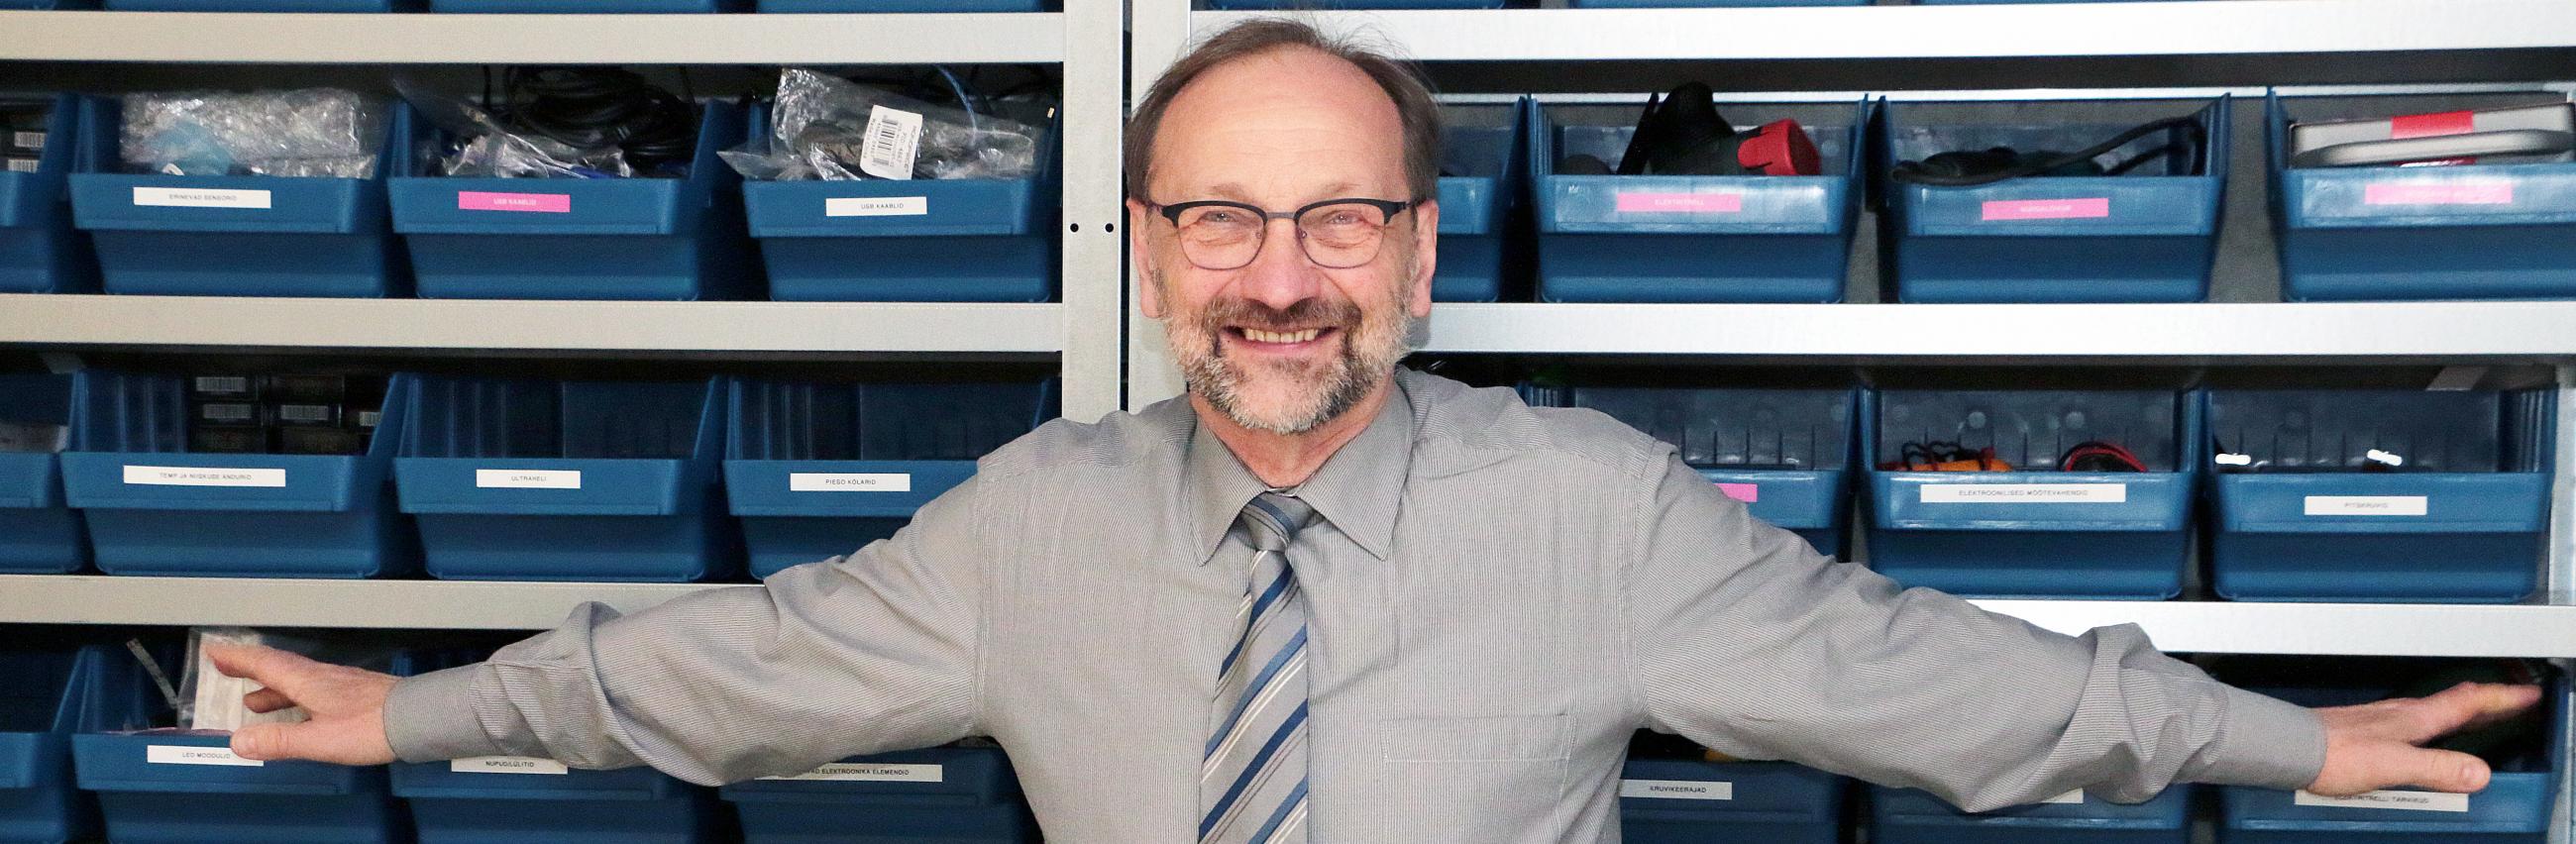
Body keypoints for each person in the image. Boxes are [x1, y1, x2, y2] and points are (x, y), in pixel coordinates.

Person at [208, 18, 2538, 843]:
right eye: (1223, 220)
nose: (1282, 278)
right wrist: (408, 709)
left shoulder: (1592, 512)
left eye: (1340, 221)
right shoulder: (1033, 518)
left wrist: (2295, 747)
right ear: (1142, 254)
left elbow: (1939, 683)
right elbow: (716, 670)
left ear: (1421, 258)